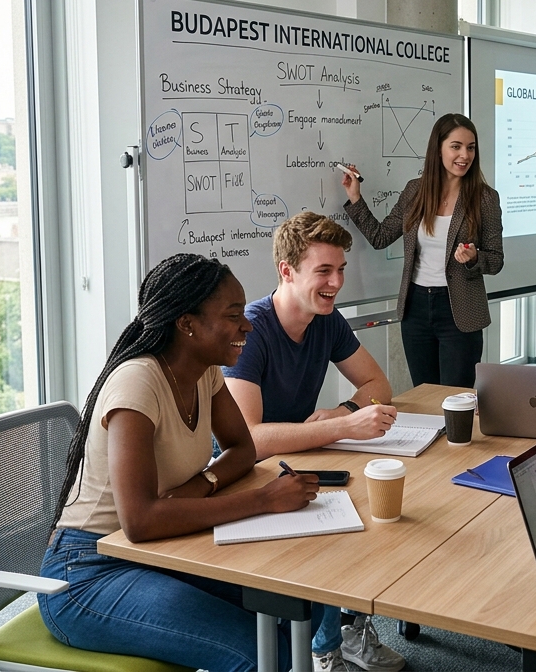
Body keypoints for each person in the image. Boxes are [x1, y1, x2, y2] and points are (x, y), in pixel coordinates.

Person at [39, 254, 324, 672]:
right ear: (187, 324)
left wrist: (202, 483)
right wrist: (262, 501)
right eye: (232, 316)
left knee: (302, 600)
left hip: (163, 547)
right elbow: (139, 521)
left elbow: (242, 449)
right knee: (258, 655)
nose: (247, 325)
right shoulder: (137, 383)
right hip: (87, 572)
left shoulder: (203, 371)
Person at [222, 212, 407, 672]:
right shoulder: (252, 329)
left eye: (340, 269)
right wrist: (342, 426)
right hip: (243, 478)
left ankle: (338, 636)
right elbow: (247, 441)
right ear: (287, 271)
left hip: (297, 460)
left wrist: (344, 411)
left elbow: (377, 384)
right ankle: (325, 648)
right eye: (324, 271)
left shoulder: (325, 319)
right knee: (344, 526)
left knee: (379, 512)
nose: (336, 282)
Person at [343, 113, 503, 388]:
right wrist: (355, 198)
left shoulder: (485, 198)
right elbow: (380, 237)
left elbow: (496, 259)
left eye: (471, 147)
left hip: (460, 311)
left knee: (456, 399)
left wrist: (474, 258)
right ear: (438, 148)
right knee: (424, 395)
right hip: (416, 307)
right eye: (456, 146)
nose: (464, 155)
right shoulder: (414, 191)